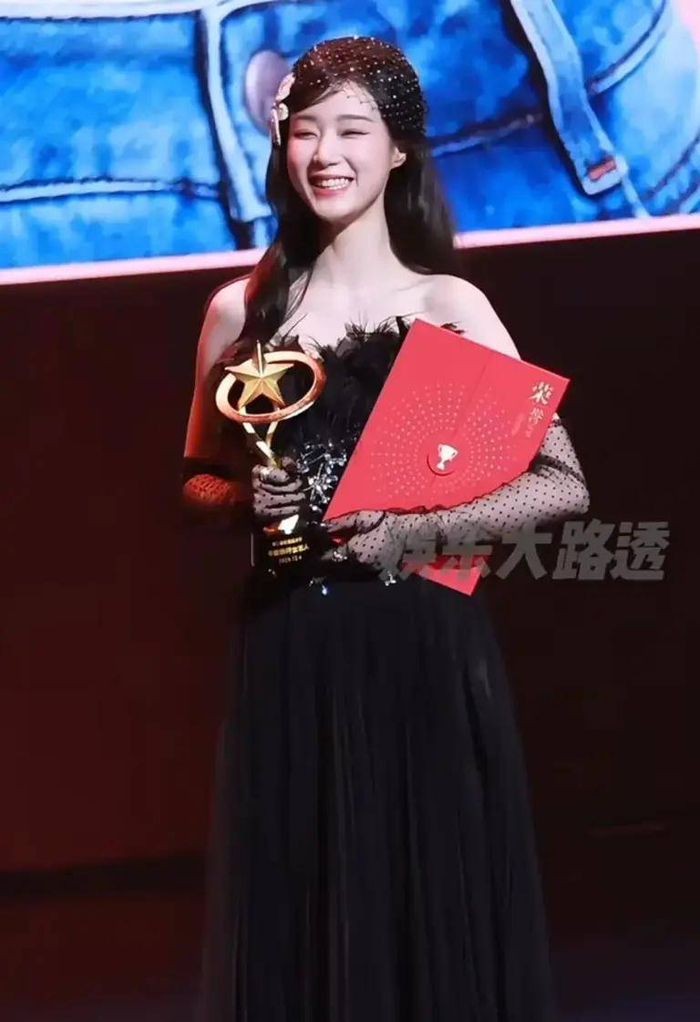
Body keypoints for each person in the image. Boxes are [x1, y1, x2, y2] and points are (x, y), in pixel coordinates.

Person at [182, 35, 590, 1022]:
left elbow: (560, 485)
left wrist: (406, 532)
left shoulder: (447, 305)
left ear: (399, 149)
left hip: (422, 645)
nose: (325, 153)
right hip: (289, 644)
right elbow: (196, 478)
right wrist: (242, 502)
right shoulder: (242, 311)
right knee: (304, 915)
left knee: (425, 914)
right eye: (305, 130)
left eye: (352, 130)